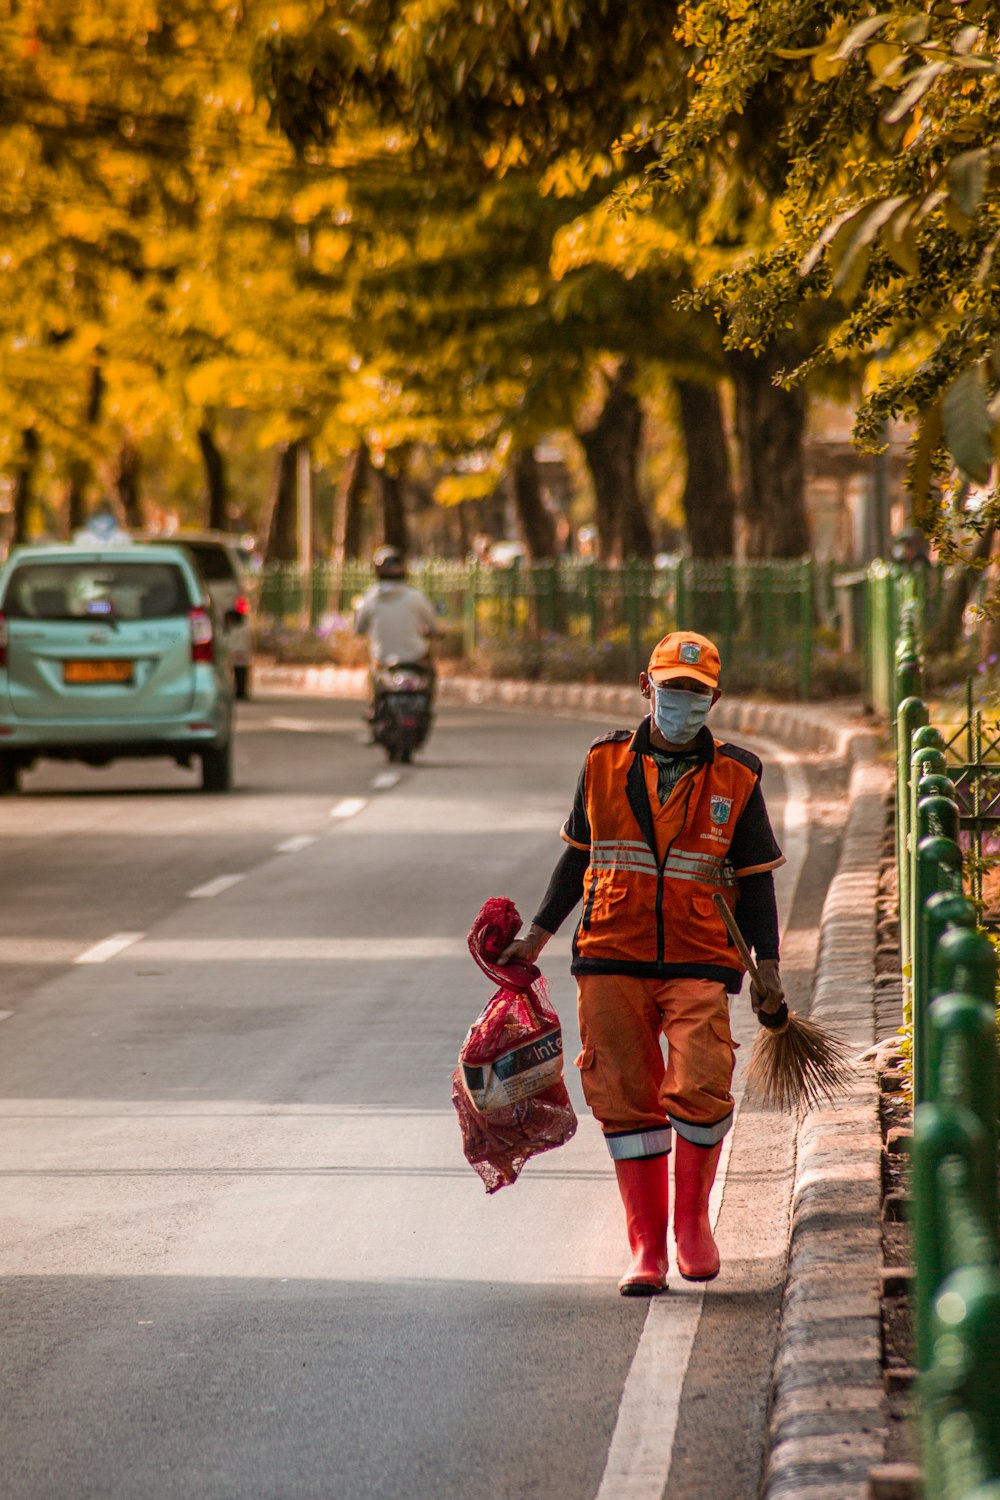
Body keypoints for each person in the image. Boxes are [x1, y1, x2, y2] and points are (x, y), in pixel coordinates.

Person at [498, 630, 786, 1296]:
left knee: (704, 1081)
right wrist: (536, 937)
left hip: (700, 957)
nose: (682, 702)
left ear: (713, 697)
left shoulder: (738, 775)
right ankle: (647, 1248)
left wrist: (769, 971)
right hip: (609, 952)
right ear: (645, 685)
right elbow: (577, 857)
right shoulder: (602, 762)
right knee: (625, 1099)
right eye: (672, 688)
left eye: (696, 692)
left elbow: (758, 879)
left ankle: (692, 1227)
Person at [354, 546, 441, 723]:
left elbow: (358, 628)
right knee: (431, 673)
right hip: (415, 656)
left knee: (373, 674)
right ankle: (428, 711)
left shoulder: (369, 599)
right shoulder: (415, 597)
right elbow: (433, 624)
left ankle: (373, 709)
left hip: (383, 657)